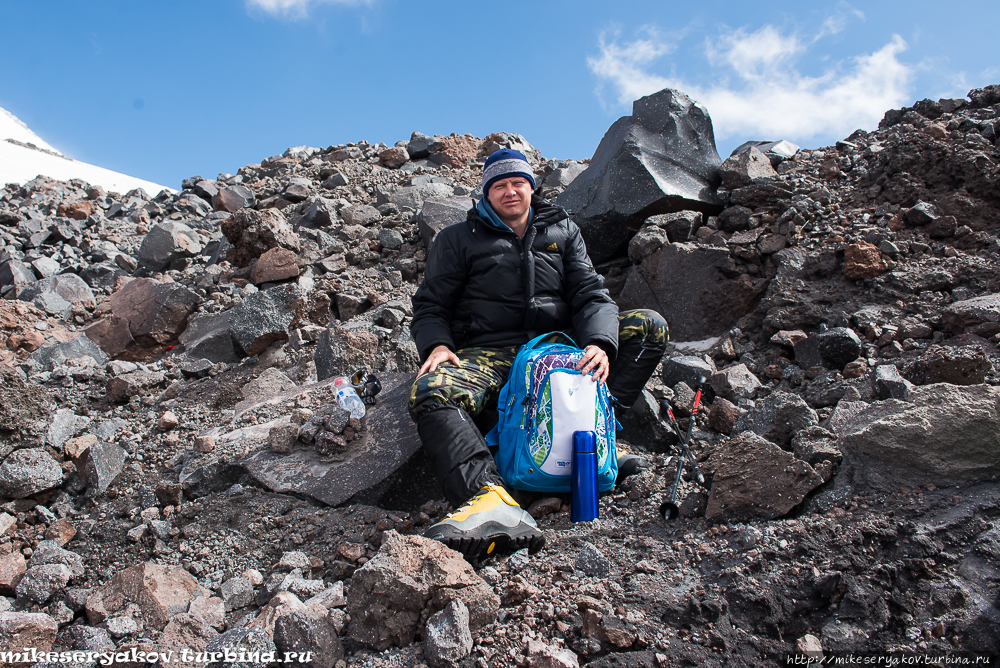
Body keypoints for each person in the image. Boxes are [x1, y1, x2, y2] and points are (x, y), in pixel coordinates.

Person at [408, 148, 668, 559]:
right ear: (486, 193)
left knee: (649, 325)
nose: (510, 192)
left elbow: (591, 295)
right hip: (492, 352)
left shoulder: (562, 230)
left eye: (517, 183)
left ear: (531, 187)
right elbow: (431, 305)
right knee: (432, 390)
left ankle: (596, 438)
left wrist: (599, 343)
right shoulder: (456, 239)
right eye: (499, 186)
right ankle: (488, 495)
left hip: (556, 349)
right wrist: (437, 344)